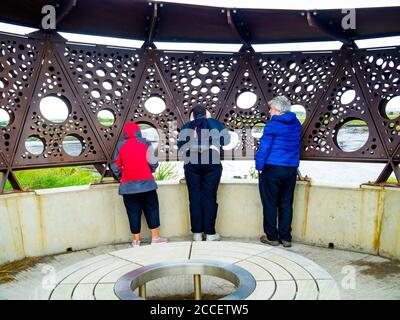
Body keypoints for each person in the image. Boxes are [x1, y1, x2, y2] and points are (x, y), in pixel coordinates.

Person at [177, 105, 230, 241]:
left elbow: (180, 145)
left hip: (192, 160)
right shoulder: (215, 123)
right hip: (212, 159)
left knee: (194, 197)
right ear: (206, 114)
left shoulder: (187, 125)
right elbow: (226, 140)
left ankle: (197, 234)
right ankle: (210, 233)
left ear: (193, 116)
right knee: (210, 197)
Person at [112, 122, 168, 248]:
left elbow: (115, 165)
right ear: (138, 131)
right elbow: (153, 161)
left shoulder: (121, 145)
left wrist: (122, 176)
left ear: (125, 133)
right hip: (147, 184)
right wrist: (150, 170)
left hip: (128, 187)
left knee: (133, 212)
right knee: (152, 209)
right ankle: (155, 238)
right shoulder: (145, 143)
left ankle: (136, 241)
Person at [256, 96, 301, 248]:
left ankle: (272, 237)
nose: (269, 111)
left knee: (270, 203)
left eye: (271, 109)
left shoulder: (272, 125)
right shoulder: (296, 124)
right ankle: (286, 238)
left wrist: (259, 167)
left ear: (279, 111)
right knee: (286, 203)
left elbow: (264, 148)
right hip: (290, 169)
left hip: (273, 168)